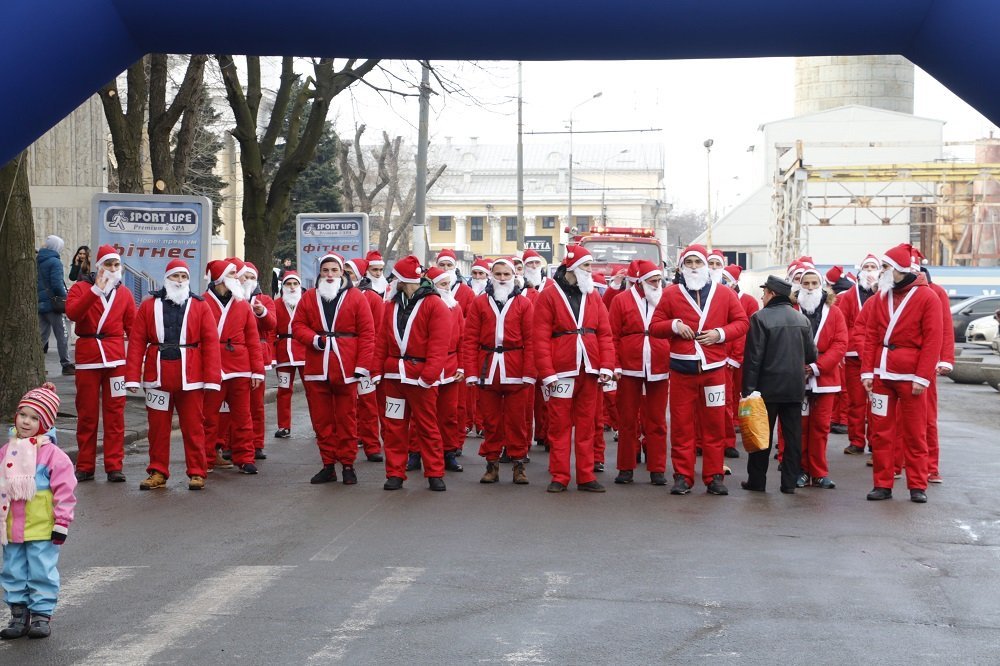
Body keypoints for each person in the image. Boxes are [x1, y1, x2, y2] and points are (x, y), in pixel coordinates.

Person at [649, 244, 749, 496]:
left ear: (706, 266)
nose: (694, 267)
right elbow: (655, 326)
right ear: (682, 267)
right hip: (682, 369)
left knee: (714, 425)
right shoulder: (671, 294)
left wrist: (720, 334)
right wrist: (674, 325)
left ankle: (714, 476)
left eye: (698, 262)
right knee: (682, 426)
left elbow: (742, 322)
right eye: (689, 263)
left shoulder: (724, 294)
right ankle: (683, 476)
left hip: (714, 369)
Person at [125, 260, 221, 490]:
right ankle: (158, 471)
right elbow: (137, 341)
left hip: (191, 377)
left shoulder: (200, 306)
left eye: (183, 277)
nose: (179, 281)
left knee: (194, 426)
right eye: (175, 276)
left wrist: (212, 379)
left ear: (188, 281)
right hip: (157, 376)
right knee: (157, 427)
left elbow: (210, 343)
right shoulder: (149, 306)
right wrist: (131, 376)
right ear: (167, 278)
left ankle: (197, 472)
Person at [861, 244, 944, 503]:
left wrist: (923, 377)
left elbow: (933, 340)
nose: (881, 272)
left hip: (911, 377)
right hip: (883, 374)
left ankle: (917, 485)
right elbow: (870, 336)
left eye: (885, 267)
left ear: (898, 269)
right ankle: (882, 484)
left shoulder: (927, 297)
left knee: (915, 432)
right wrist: (867, 372)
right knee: (881, 432)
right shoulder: (880, 298)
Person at [533, 245, 616, 493]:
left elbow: (605, 334)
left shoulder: (593, 295)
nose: (591, 271)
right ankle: (560, 476)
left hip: (589, 369)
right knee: (558, 426)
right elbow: (540, 337)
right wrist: (547, 373)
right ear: (574, 268)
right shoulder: (548, 295)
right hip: (562, 371)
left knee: (588, 424)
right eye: (587, 266)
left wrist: (607, 366)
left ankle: (586, 475)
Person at [0, 383, 76, 640]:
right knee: (12, 570)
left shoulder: (53, 455)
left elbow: (65, 491)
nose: (26, 422)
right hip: (12, 527)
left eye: (34, 418)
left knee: (41, 570)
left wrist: (62, 522)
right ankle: (18, 614)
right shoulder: (7, 451)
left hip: (43, 527)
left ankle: (42, 615)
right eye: (23, 414)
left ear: (45, 423)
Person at [292, 253, 375, 485]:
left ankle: (348, 465)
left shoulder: (356, 297)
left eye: (334, 270)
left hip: (346, 367)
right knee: (321, 420)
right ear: (320, 272)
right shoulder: (309, 297)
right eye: (325, 270)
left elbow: (368, 334)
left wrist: (362, 366)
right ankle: (328, 464)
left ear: (342, 273)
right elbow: (297, 325)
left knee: (347, 419)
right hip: (317, 367)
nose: (329, 275)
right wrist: (314, 339)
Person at [372, 255, 451, 491]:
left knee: (427, 426)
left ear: (403, 280)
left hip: (421, 377)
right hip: (395, 376)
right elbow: (382, 341)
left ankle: (435, 472)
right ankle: (395, 472)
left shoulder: (435, 304)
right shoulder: (392, 306)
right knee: (394, 426)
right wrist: (377, 370)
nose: (392, 282)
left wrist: (429, 375)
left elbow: (439, 343)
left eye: (395, 277)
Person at [65, 244, 137, 483]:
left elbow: (133, 330)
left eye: (117, 265)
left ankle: (114, 465)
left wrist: (139, 363)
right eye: (108, 264)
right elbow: (73, 313)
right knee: (87, 414)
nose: (113, 269)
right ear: (98, 266)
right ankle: (85, 465)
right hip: (88, 359)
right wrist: (95, 291)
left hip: (116, 359)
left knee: (115, 414)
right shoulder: (81, 288)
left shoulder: (125, 294)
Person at [740, 276, 817, 494]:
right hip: (794, 388)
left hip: (766, 388)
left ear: (772, 294)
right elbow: (811, 354)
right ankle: (789, 483)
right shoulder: (801, 319)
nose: (762, 296)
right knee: (793, 437)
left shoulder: (760, 318)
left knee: (761, 434)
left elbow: (753, 358)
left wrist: (747, 391)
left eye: (764, 292)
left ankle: (757, 481)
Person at [463, 257, 535, 485]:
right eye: (498, 274)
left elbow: (532, 340)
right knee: (490, 422)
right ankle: (492, 464)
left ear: (513, 276)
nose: (502, 278)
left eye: (506, 274)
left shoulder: (524, 304)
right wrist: (471, 372)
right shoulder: (479, 303)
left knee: (517, 421)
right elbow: (470, 339)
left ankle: (518, 465)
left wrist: (529, 372)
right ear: (491, 276)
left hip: (515, 366)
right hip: (488, 368)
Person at [609, 260, 670, 486]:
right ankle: (625, 467)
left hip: (659, 364)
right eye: (652, 281)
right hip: (628, 366)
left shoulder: (665, 298)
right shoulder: (621, 300)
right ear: (641, 282)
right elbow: (612, 335)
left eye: (658, 280)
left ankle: (657, 468)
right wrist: (614, 364)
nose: (657, 284)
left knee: (656, 420)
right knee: (627, 419)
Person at [202, 258, 265, 475]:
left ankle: (245, 457)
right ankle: (207, 458)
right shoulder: (201, 302)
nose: (237, 278)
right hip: (213, 366)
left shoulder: (241, 304)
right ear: (219, 279)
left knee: (242, 416)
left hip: (240, 366)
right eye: (231, 275)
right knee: (209, 417)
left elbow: (252, 339)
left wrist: (257, 370)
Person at [794, 268, 847, 489]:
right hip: (797, 379)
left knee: (821, 427)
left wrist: (817, 367)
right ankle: (802, 470)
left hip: (825, 380)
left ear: (822, 285)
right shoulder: (792, 309)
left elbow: (841, 344)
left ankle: (819, 471)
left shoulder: (834, 312)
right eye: (806, 283)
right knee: (801, 427)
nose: (810, 287)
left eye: (814, 283)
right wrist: (797, 366)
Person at [912, 252, 955, 485]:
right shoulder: (888, 292)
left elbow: (945, 328)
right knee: (895, 419)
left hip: (925, 365)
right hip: (895, 366)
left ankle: (930, 467)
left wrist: (945, 358)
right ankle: (898, 463)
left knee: (927, 418)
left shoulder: (935, 292)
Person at [836, 254, 880, 455]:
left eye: (873, 267)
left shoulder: (884, 294)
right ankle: (856, 440)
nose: (870, 270)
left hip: (878, 356)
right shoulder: (848, 296)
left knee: (877, 403)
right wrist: (843, 351)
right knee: (856, 401)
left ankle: (875, 440)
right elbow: (841, 324)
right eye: (867, 267)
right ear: (860, 271)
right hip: (854, 355)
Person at [424, 267, 466, 474]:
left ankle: (449, 452)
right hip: (428, 367)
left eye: (448, 284)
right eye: (442, 284)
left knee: (449, 414)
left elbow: (463, 339)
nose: (447, 288)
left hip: (450, 366)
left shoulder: (455, 308)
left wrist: (461, 365)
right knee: (423, 415)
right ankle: (416, 453)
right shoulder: (423, 306)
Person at [345, 257, 386, 462]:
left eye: (350, 272)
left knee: (369, 405)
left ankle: (372, 445)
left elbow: (379, 332)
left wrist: (373, 362)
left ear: (360, 275)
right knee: (346, 406)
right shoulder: (337, 296)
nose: (345, 276)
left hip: (366, 360)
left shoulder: (373, 299)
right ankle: (348, 443)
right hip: (344, 360)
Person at [720, 265, 759, 459]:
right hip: (718, 357)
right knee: (721, 401)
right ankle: (708, 441)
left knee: (737, 398)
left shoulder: (748, 301)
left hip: (738, 357)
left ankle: (730, 440)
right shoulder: (714, 296)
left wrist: (736, 356)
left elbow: (744, 330)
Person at [239, 262, 276, 460]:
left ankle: (257, 443)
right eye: (245, 277)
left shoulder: (265, 299)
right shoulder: (233, 298)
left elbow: (272, 325)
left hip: (258, 354)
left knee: (256, 403)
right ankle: (232, 443)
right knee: (233, 404)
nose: (249, 281)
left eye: (252, 278)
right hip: (235, 353)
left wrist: (261, 312)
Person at [273, 271, 305, 439]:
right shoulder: (277, 304)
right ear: (283, 286)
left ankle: (319, 426)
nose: (292, 287)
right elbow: (271, 330)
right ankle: (284, 426)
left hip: (306, 352)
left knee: (314, 391)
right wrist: (272, 355)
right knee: (284, 390)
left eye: (295, 284)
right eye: (288, 284)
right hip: (284, 354)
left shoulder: (307, 302)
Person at [37, 235, 73, 375]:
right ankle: (66, 364)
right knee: (62, 335)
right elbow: (57, 284)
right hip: (53, 305)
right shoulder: (55, 262)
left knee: (41, 337)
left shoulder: (38, 260)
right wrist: (65, 298)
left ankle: (37, 366)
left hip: (41, 303)